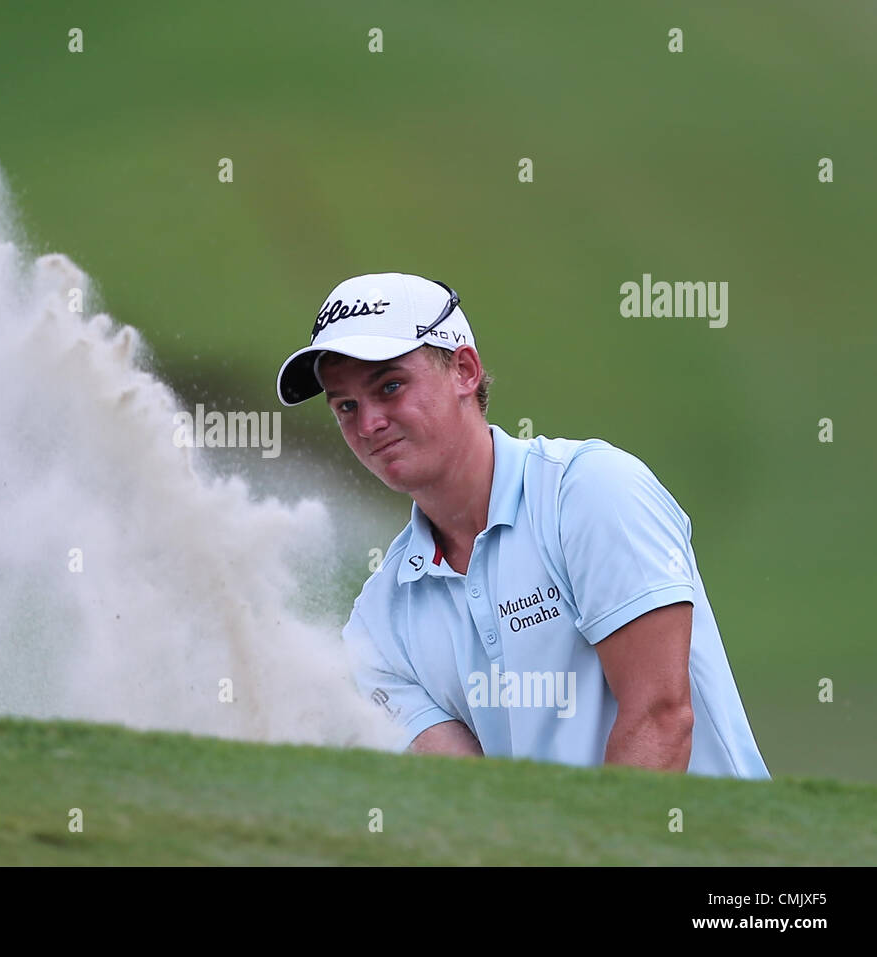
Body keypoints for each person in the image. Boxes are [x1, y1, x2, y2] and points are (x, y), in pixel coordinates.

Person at [276, 272, 769, 777]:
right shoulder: (377, 624)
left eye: (391, 386)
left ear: (465, 370)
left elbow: (661, 719)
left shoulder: (590, 491)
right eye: (346, 406)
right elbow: (474, 800)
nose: (368, 424)